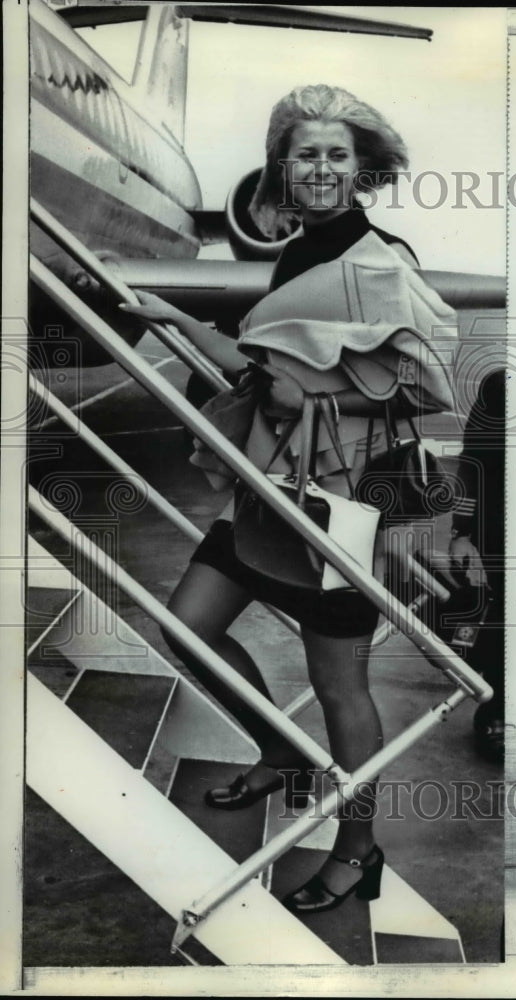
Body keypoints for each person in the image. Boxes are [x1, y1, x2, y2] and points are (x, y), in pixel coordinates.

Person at [120, 84, 457, 914]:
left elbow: (421, 387)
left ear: (361, 169)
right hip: (271, 492)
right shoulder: (299, 256)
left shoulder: (383, 259)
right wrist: (173, 319)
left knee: (341, 687)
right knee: (184, 628)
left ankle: (358, 847)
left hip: (344, 507)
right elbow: (262, 367)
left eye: (336, 155)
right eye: (304, 153)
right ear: (282, 166)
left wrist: (312, 398)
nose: (319, 168)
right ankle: (282, 749)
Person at [449, 368, 506, 762]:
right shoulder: (503, 383)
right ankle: (498, 708)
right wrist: (462, 532)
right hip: (503, 524)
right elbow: (473, 462)